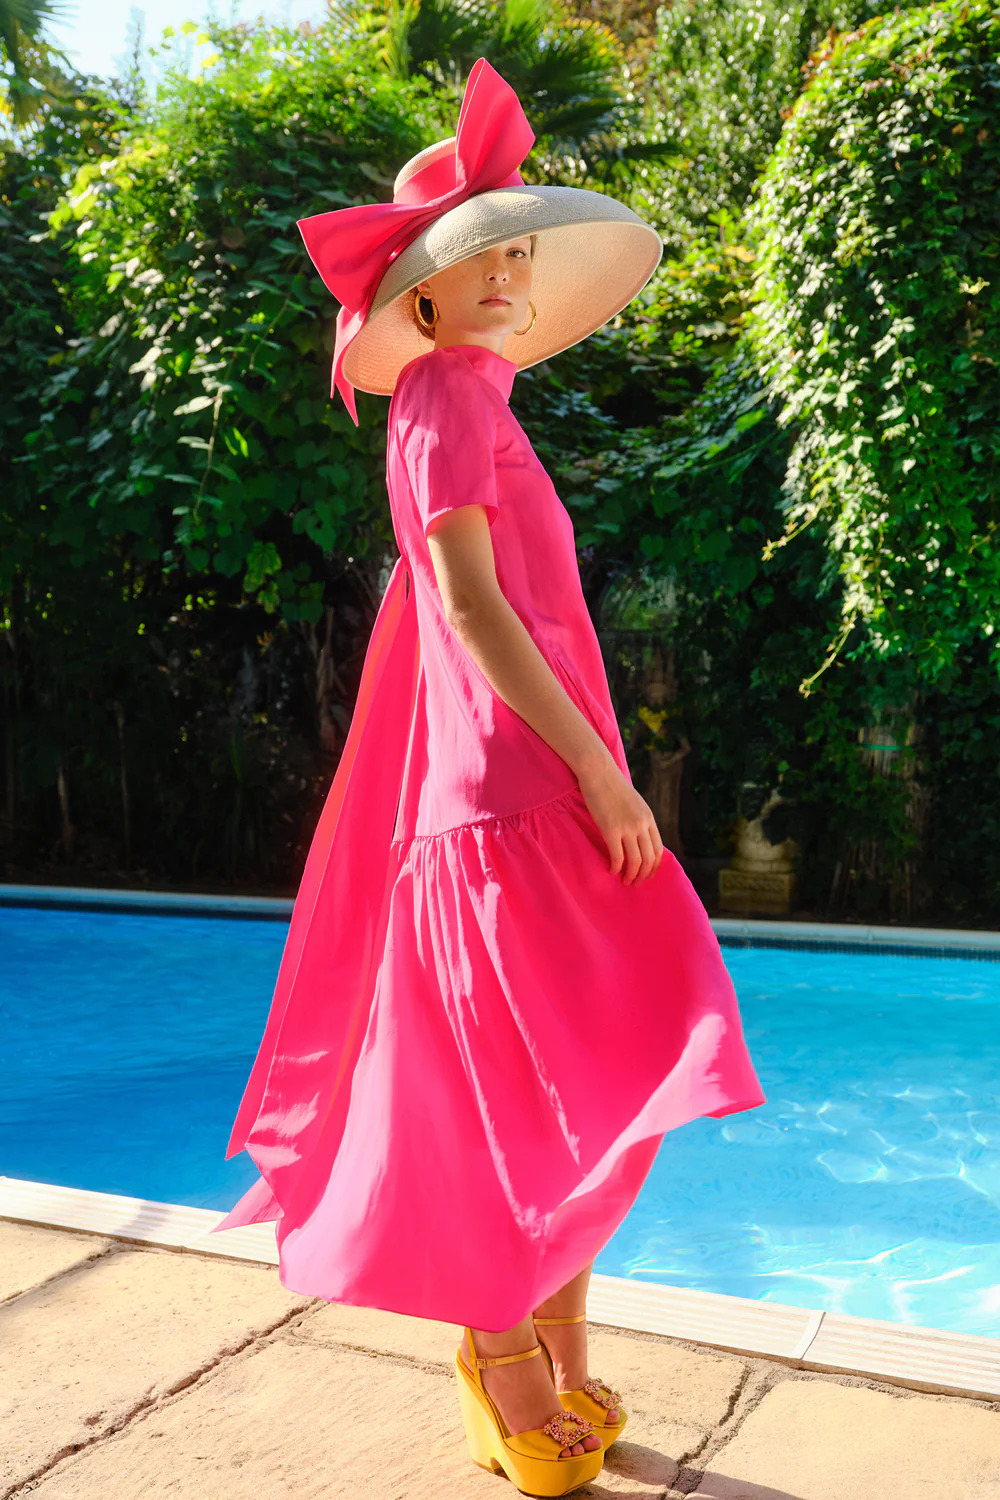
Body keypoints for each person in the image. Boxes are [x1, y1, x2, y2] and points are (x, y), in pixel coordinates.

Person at [210, 58, 767, 1495]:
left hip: (525, 784)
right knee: (556, 1080)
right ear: (425, 296)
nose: (513, 271)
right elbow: (470, 613)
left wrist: (595, 765)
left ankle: (556, 1362)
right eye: (485, 254)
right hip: (514, 790)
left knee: (589, 1080)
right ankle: (509, 1359)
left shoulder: (476, 401)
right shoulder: (450, 397)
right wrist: (607, 772)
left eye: (522, 248)